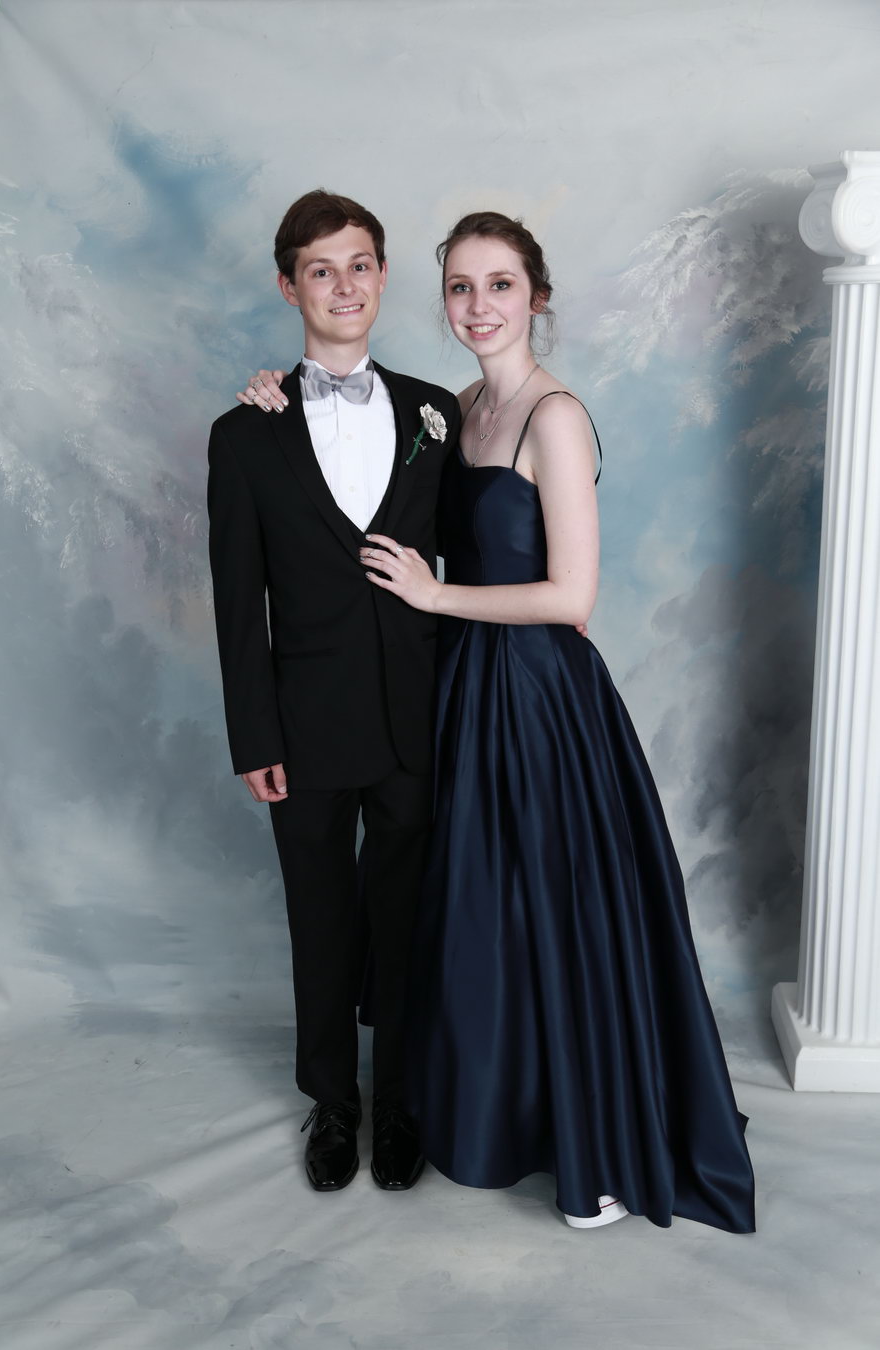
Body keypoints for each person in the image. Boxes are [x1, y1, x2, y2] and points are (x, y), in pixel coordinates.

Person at [238, 212, 756, 1234]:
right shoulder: (455, 409)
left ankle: (597, 1145)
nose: (479, 306)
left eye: (500, 285)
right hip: (457, 688)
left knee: (553, 914)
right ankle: (499, 1111)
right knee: (483, 916)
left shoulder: (554, 417)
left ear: (537, 296)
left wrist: (438, 599)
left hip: (535, 693)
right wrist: (274, 399)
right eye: (461, 287)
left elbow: (572, 595)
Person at [208, 190, 460, 1195]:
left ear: (383, 276)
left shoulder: (437, 413)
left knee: (406, 916)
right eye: (321, 269)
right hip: (302, 726)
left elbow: (469, 556)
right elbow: (238, 603)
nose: (343, 285)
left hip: (414, 715)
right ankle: (333, 1099)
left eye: (359, 265)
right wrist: (253, 736)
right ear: (290, 287)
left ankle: (397, 1100)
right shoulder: (246, 433)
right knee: (320, 920)